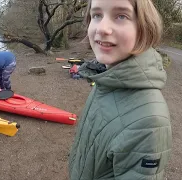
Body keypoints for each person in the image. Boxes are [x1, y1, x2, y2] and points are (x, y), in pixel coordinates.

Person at [68, 0, 172, 179]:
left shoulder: (149, 122)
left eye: (121, 16)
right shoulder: (107, 79)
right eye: (97, 15)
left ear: (144, 27)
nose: (102, 28)